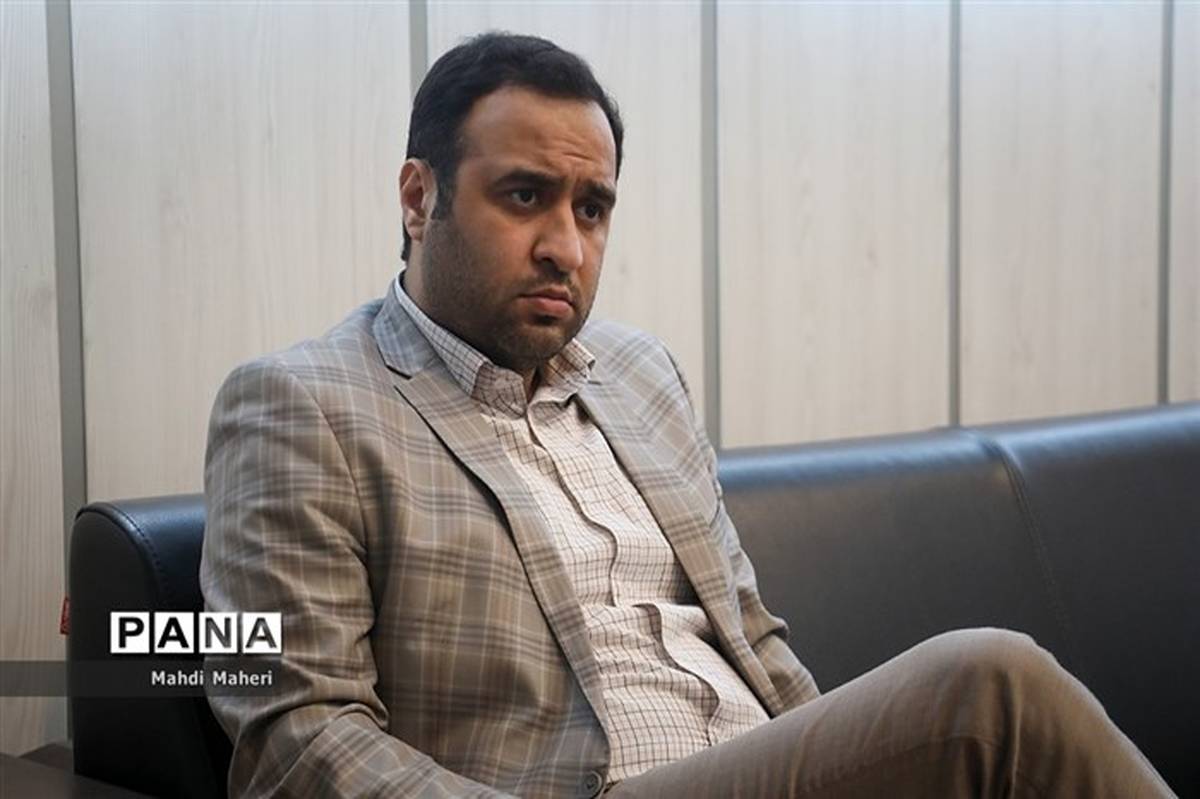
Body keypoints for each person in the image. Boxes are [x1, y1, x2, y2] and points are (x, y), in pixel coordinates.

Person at [200, 32, 1174, 798]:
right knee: (989, 688)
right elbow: (296, 734)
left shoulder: (640, 374)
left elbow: (751, 634)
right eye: (525, 196)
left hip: (749, 760)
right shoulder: (300, 405)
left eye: (592, 208)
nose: (566, 247)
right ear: (420, 199)